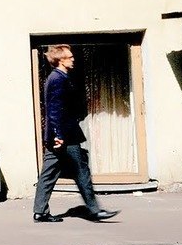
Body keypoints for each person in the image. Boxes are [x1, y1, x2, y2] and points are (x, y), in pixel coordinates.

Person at [33, 44, 119, 223]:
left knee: (48, 174)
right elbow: (54, 110)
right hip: (65, 136)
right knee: (81, 171)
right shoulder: (58, 79)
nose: (73, 59)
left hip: (59, 135)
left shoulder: (56, 77)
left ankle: (40, 211)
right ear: (60, 60)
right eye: (69, 57)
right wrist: (58, 134)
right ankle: (94, 210)